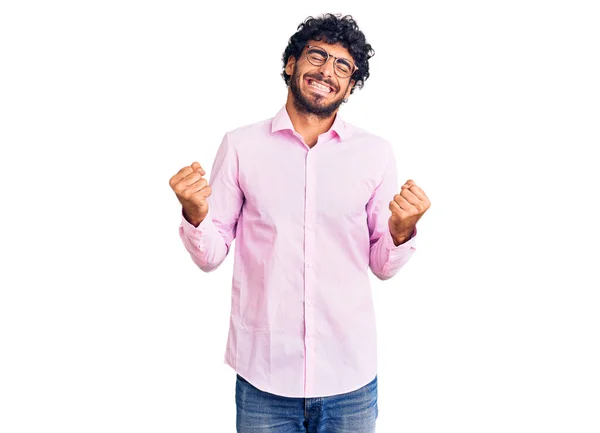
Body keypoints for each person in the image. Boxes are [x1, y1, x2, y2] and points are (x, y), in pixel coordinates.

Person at [169, 13, 430, 433]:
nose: (327, 71)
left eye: (342, 66)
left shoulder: (375, 154)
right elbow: (210, 254)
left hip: (349, 376)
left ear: (350, 85)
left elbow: (382, 265)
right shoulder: (240, 146)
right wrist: (196, 214)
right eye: (317, 56)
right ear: (291, 63)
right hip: (265, 378)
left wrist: (402, 231)